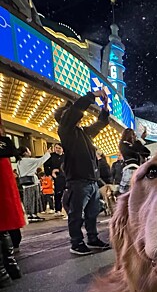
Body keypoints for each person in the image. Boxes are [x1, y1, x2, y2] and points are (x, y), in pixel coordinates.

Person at [54, 90, 111, 255]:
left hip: (91, 181)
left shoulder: (83, 132)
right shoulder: (65, 131)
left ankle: (92, 239)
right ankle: (76, 243)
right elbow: (75, 110)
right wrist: (92, 95)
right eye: (69, 114)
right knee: (76, 215)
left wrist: (105, 107)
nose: (75, 115)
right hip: (78, 181)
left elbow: (100, 123)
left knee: (92, 214)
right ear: (64, 118)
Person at [0, 124, 24, 287]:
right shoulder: (4, 141)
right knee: (3, 227)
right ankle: (10, 268)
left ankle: (3, 272)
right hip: (4, 181)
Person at [17, 146, 51, 222]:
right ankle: (32, 214)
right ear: (25, 152)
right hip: (31, 181)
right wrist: (47, 153)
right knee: (33, 198)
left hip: (24, 182)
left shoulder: (19, 161)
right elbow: (41, 160)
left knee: (28, 198)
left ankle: (31, 214)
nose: (30, 151)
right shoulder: (28, 160)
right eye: (28, 150)